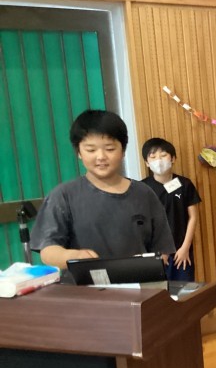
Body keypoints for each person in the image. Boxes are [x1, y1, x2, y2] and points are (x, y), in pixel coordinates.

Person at [30, 110, 175, 269]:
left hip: (140, 282)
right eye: (91, 150)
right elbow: (47, 250)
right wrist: (73, 257)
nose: (101, 157)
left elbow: (162, 248)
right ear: (79, 152)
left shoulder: (144, 194)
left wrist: (147, 265)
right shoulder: (63, 195)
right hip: (84, 284)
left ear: (123, 151)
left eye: (110, 149)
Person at [141, 138, 202, 281]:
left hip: (182, 252)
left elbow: (193, 217)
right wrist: (158, 251)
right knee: (159, 292)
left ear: (173, 158)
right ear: (147, 163)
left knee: (184, 291)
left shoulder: (185, 184)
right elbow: (143, 223)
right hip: (156, 255)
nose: (159, 160)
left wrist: (185, 247)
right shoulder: (143, 188)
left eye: (163, 155)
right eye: (153, 157)